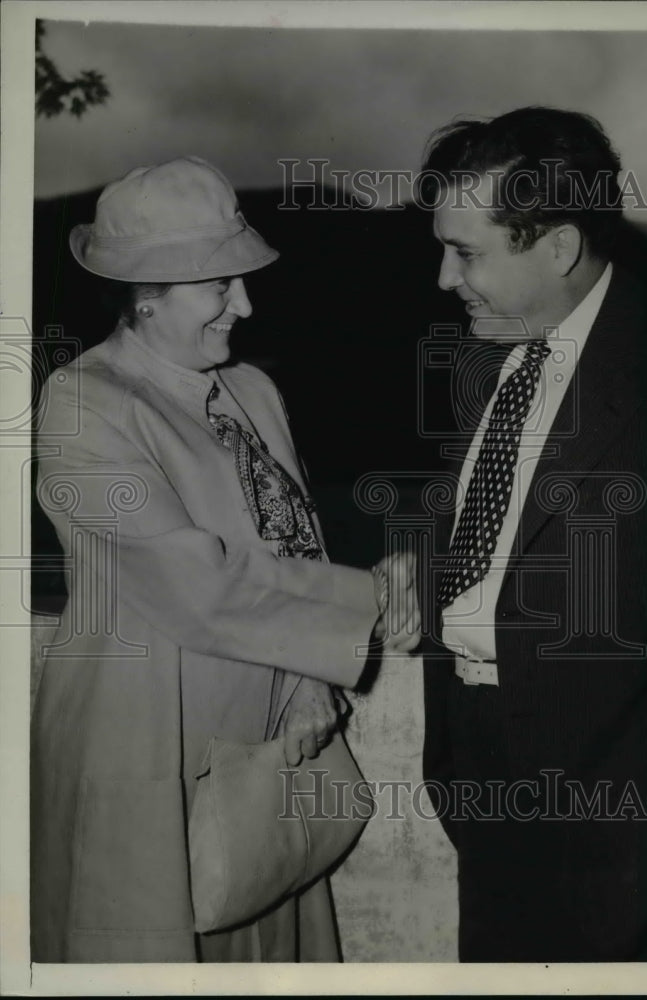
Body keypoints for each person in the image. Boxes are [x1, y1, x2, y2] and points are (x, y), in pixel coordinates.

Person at [31, 156, 420, 963]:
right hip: (147, 735)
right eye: (220, 285)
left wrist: (308, 681)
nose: (245, 305)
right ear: (146, 295)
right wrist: (369, 601)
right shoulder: (84, 402)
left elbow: (294, 540)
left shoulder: (253, 390)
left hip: (268, 741)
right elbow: (193, 582)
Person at [420, 107, 647, 961]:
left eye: (466, 253)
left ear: (557, 246)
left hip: (646, 844)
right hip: (489, 814)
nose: (444, 279)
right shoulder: (492, 353)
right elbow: (507, 535)